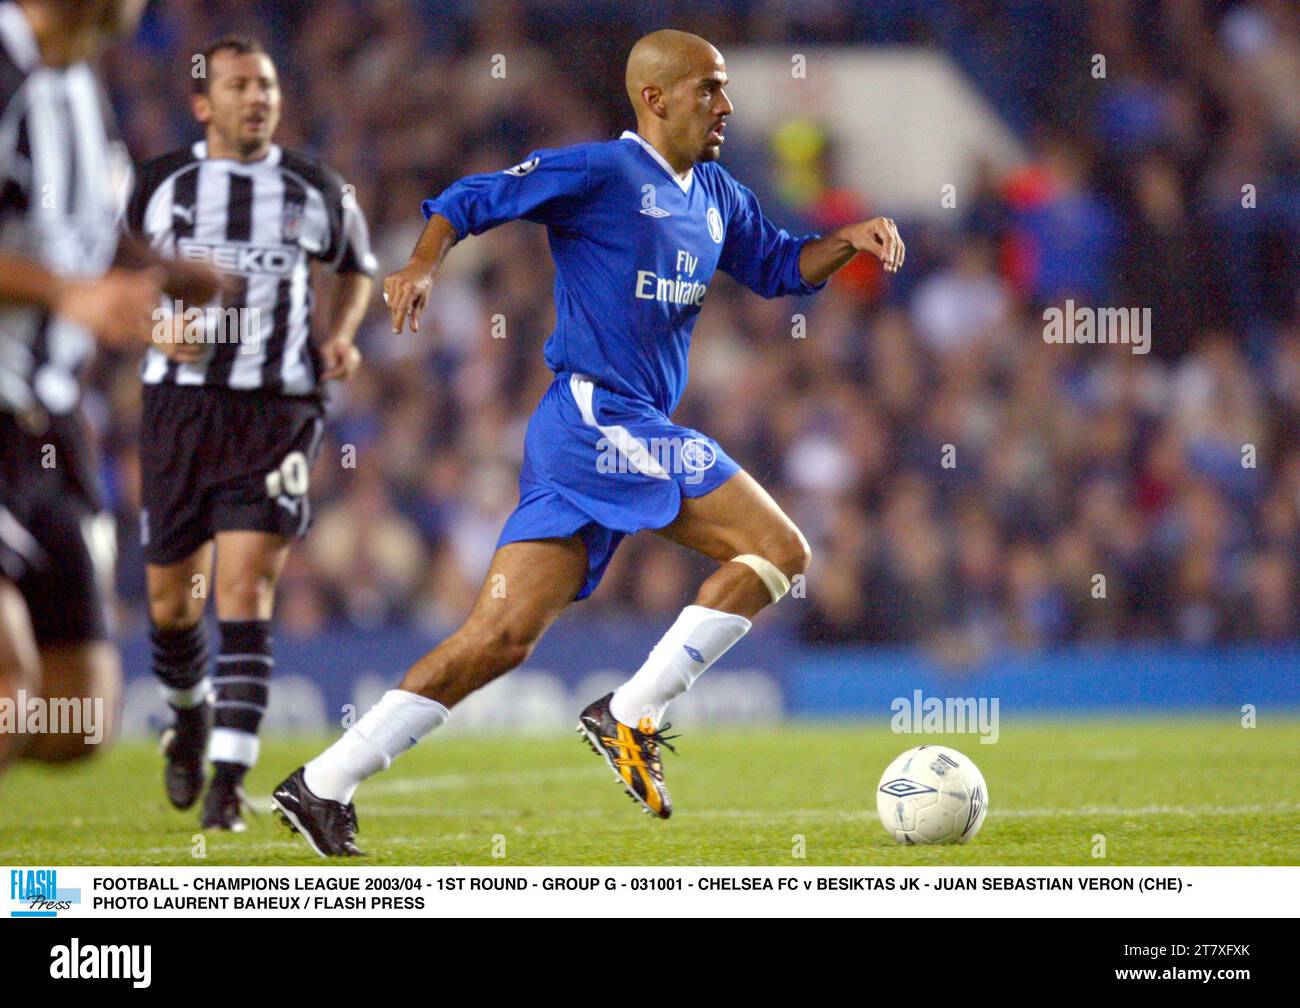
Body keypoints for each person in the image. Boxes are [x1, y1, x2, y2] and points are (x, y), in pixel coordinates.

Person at [272, 28, 904, 856]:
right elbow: (471, 197)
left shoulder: (715, 192)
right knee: (780, 550)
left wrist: (845, 241)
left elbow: (781, 265)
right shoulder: (603, 173)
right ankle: (633, 712)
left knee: (497, 640)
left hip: (597, 433)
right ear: (655, 98)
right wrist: (423, 262)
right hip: (598, 416)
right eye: (709, 88)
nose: (728, 104)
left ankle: (321, 784)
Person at [126, 36, 376, 830]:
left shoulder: (315, 186)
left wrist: (338, 333)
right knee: (170, 603)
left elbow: (359, 265)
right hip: (179, 410)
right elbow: (108, 270)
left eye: (266, 84)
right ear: (204, 103)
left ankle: (227, 784)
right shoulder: (159, 184)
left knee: (243, 590)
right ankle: (189, 721)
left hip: (278, 410)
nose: (258, 98)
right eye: (239, 86)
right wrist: (153, 324)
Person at [0, 0, 218, 779]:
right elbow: (62, 272)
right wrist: (68, 293)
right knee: (8, 689)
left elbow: (74, 230)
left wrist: (162, 272)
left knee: (78, 717)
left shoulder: (78, 83)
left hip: (49, 424)